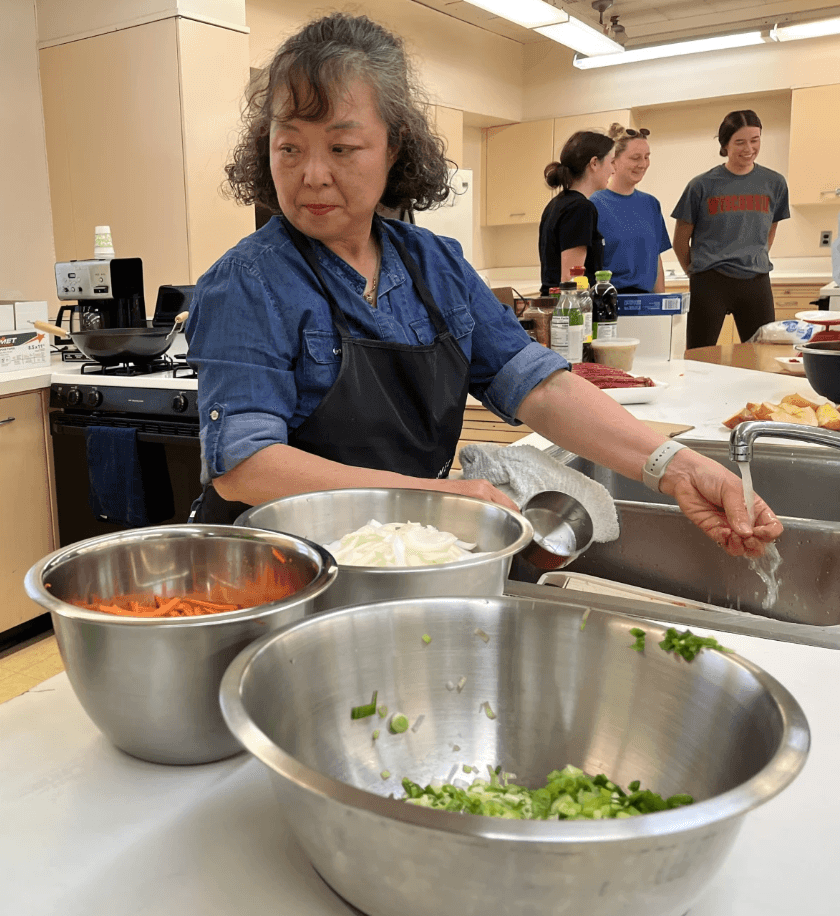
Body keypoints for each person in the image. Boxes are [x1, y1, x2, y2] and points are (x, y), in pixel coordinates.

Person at [186, 13, 780, 557]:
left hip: (402, 552)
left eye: (342, 147)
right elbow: (247, 464)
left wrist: (673, 465)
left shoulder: (435, 265)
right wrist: (428, 496)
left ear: (394, 147)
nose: (311, 174)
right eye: (288, 147)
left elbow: (538, 388)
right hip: (280, 568)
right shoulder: (247, 282)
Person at [671, 110, 790, 349]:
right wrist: (697, 274)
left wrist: (753, 256)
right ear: (725, 144)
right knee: (699, 356)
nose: (749, 148)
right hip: (710, 281)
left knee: (763, 356)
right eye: (740, 142)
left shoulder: (774, 183)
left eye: (755, 140)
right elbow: (680, 241)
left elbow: (770, 231)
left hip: (756, 281)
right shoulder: (701, 186)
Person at [590, 124, 671, 293]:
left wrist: (660, 306)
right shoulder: (594, 204)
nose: (643, 164)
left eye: (647, 157)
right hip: (610, 301)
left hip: (646, 302)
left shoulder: (651, 204)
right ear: (613, 161)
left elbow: (656, 261)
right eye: (635, 158)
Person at [537, 131, 614, 296]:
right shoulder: (580, 208)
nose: (613, 170)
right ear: (594, 163)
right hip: (569, 311)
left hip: (555, 305)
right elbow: (571, 279)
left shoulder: (557, 204)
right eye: (611, 162)